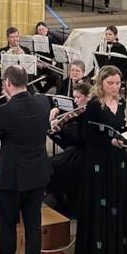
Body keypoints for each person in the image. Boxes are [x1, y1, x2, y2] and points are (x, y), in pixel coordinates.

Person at [0, 65, 51, 254]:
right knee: (33, 228)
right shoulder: (43, 102)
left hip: (12, 180)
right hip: (38, 175)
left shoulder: (4, 111)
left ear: (8, 83)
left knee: (8, 227)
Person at [74, 65, 127, 254]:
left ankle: (115, 252)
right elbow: (87, 136)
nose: (115, 87)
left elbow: (120, 126)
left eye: (118, 83)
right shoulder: (93, 105)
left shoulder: (121, 102)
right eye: (110, 83)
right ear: (101, 83)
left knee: (117, 200)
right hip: (99, 159)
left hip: (118, 158)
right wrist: (110, 141)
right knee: (99, 203)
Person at [46, 83, 91, 217]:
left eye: (78, 97)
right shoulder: (80, 111)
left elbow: (77, 141)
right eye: (74, 97)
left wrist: (60, 132)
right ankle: (61, 200)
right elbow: (68, 142)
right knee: (48, 164)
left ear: (88, 97)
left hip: (84, 154)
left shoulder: (88, 115)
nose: (75, 101)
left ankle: (65, 203)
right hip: (75, 151)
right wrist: (56, 111)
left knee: (50, 166)